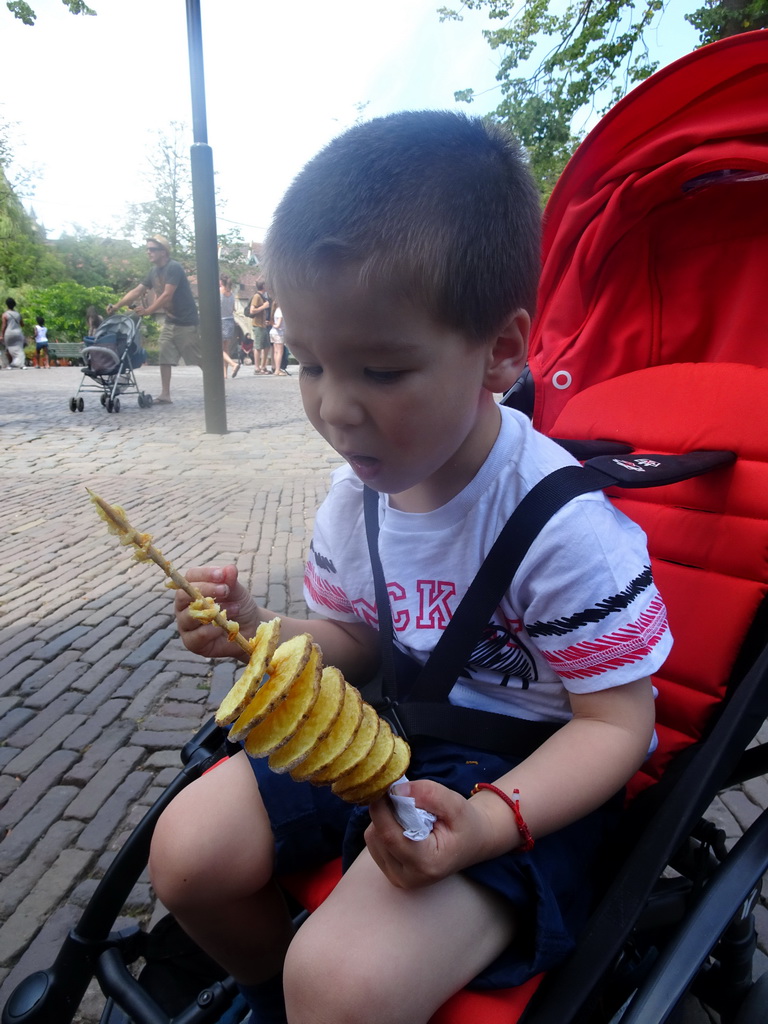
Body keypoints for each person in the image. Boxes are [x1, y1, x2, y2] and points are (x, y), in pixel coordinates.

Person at [149, 111, 672, 1024]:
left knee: (342, 985)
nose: (336, 411)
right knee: (185, 854)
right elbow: (354, 639)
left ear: (502, 352)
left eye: (381, 373)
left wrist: (493, 822)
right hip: (380, 736)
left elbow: (617, 726)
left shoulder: (563, 528)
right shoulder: (359, 496)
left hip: (520, 779)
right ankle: (272, 995)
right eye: (310, 365)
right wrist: (255, 634)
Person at [106, 235, 201, 404]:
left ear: (163, 252)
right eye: (147, 249)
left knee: (196, 358)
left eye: (152, 249)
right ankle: (165, 394)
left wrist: (149, 310)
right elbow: (137, 291)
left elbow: (167, 294)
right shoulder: (153, 272)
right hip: (171, 321)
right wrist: (117, 305)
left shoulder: (174, 268)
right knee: (164, 355)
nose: (148, 252)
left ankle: (215, 385)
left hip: (186, 322)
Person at [247, 281, 271, 375]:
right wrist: (263, 306)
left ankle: (263, 367)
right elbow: (252, 310)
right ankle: (257, 368)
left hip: (263, 325)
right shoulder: (257, 296)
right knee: (258, 347)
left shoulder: (263, 296)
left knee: (266, 347)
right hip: (257, 325)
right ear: (263, 286)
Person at [220, 275, 240, 379]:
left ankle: (233, 364)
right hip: (230, 321)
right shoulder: (231, 294)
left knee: (218, 349)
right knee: (226, 348)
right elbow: (233, 309)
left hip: (220, 321)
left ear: (221, 282)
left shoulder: (219, 292)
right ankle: (225, 374)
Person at [1, 298, 26, 369]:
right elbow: (22, 325)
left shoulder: (5, 314)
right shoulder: (18, 314)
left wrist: (1, 335)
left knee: (8, 349)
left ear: (7, 305)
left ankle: (10, 365)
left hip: (9, 333)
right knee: (19, 349)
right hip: (18, 333)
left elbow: (4, 326)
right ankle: (21, 364)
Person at [269, 303, 288, 376]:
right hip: (279, 333)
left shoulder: (276, 310)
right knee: (280, 352)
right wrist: (273, 324)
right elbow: (278, 325)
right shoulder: (280, 312)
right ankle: (277, 370)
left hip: (273, 333)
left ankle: (276, 369)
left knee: (275, 352)